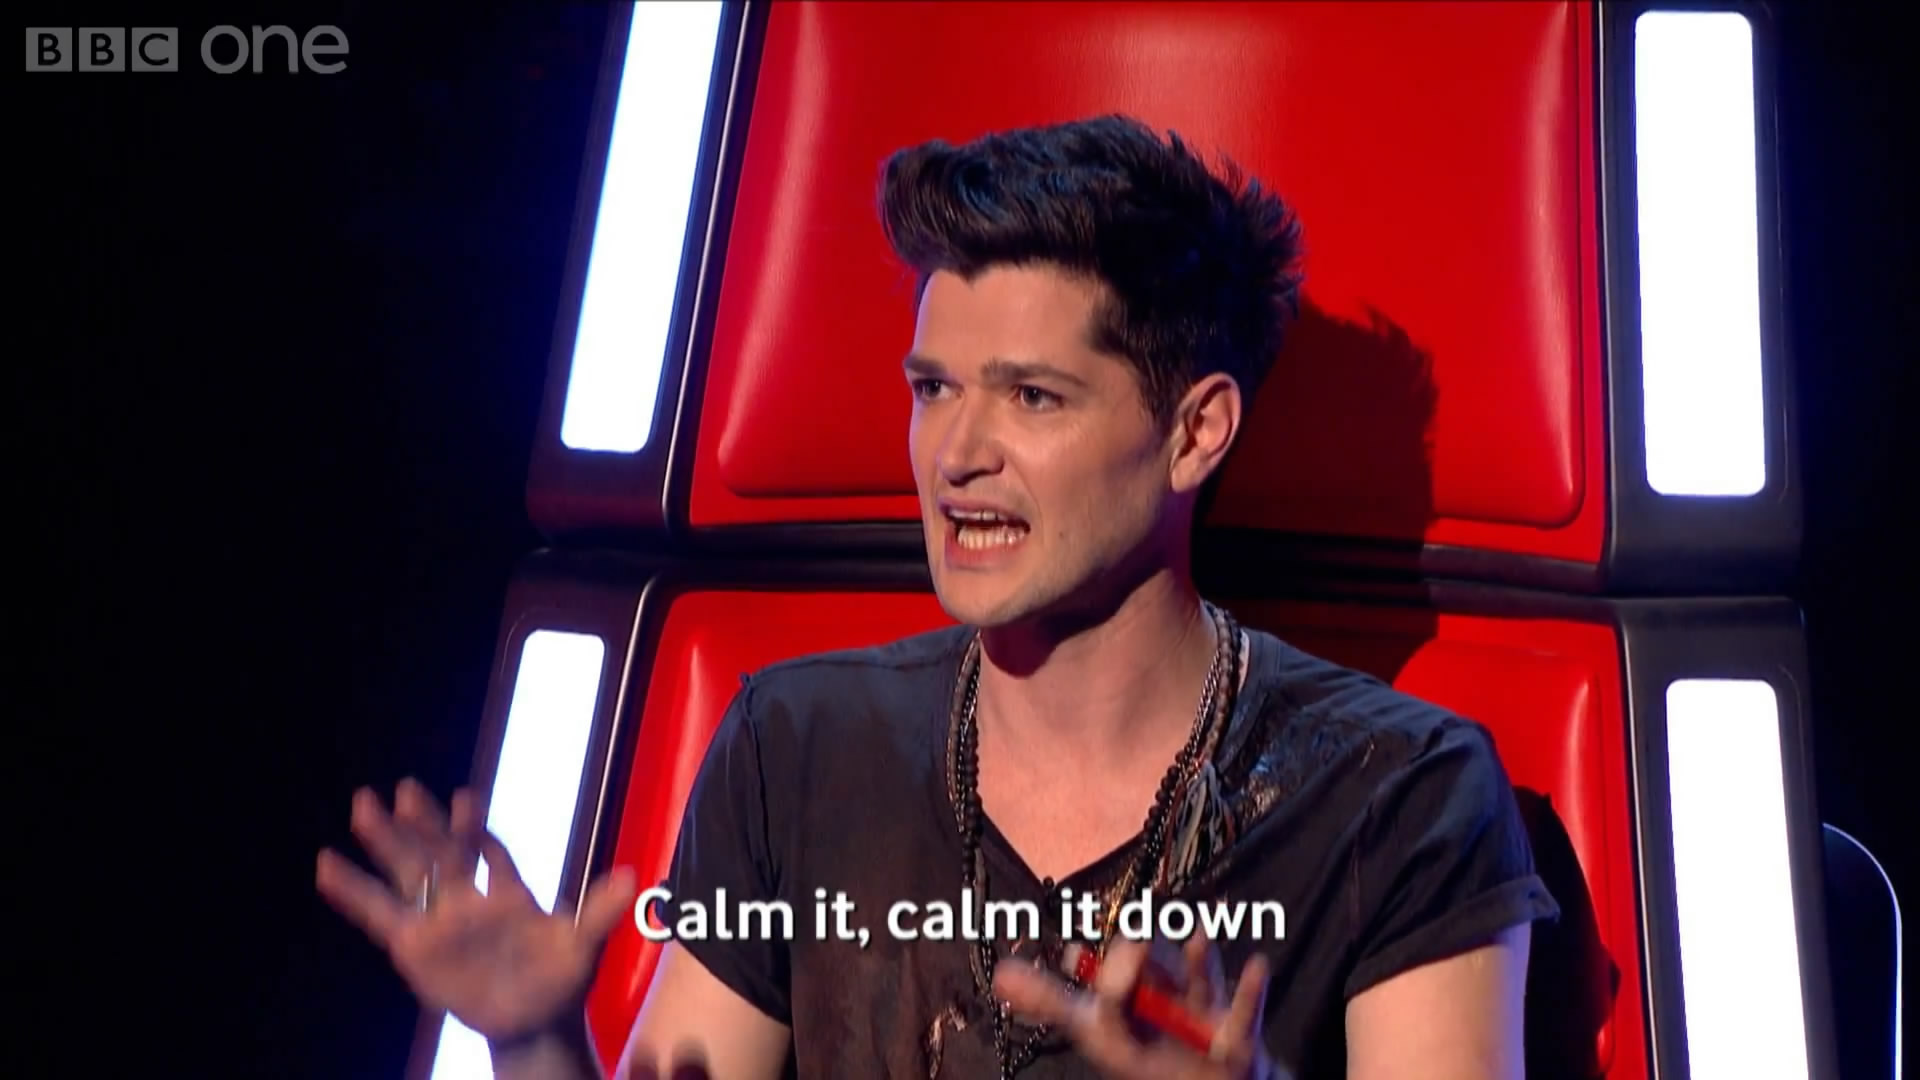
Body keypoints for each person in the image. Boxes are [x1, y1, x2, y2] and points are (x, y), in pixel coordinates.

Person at [317, 114, 1558, 1079]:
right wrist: (533, 1040)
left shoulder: (1401, 790)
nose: (955, 453)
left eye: (1031, 396)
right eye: (932, 390)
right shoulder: (797, 743)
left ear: (1196, 433)